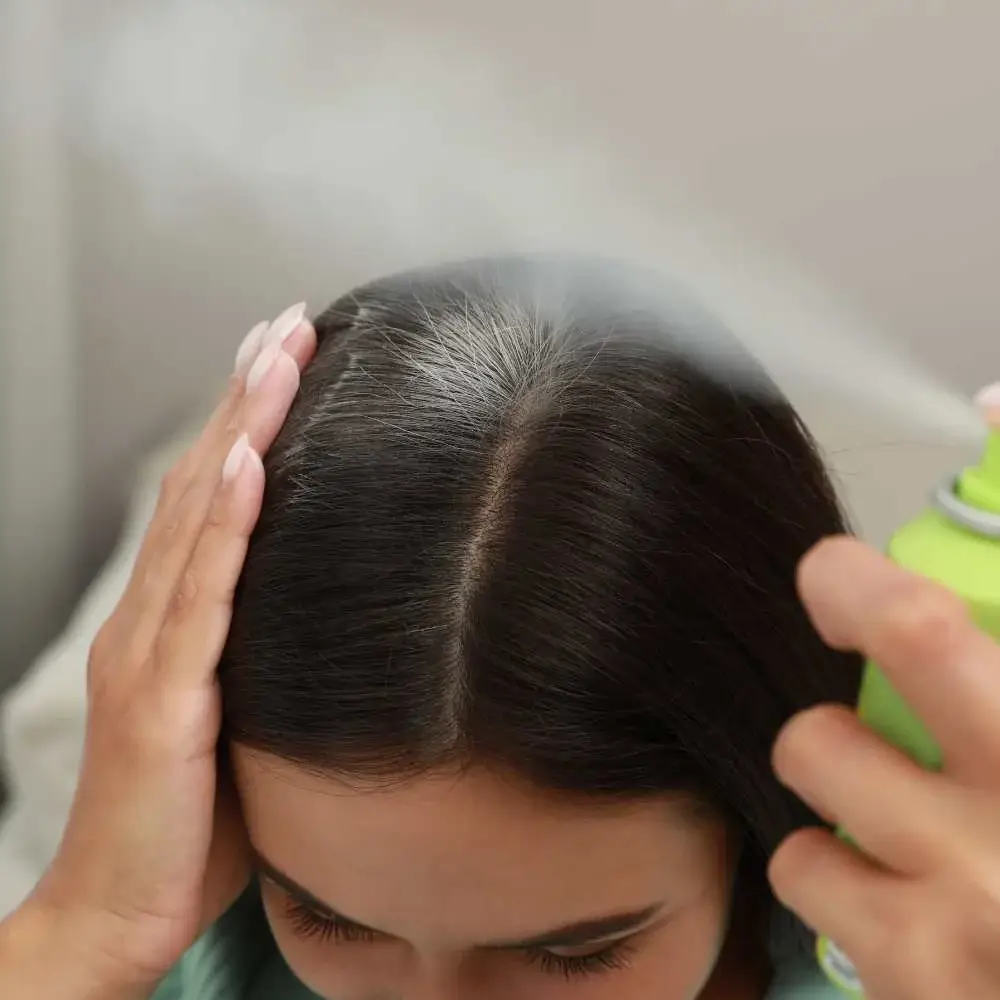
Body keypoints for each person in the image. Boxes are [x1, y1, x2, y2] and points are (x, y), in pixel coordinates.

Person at [0, 256, 998, 1000]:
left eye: (572, 950)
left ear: (754, 819)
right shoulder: (182, 954)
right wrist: (85, 928)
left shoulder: (905, 971)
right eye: (328, 916)